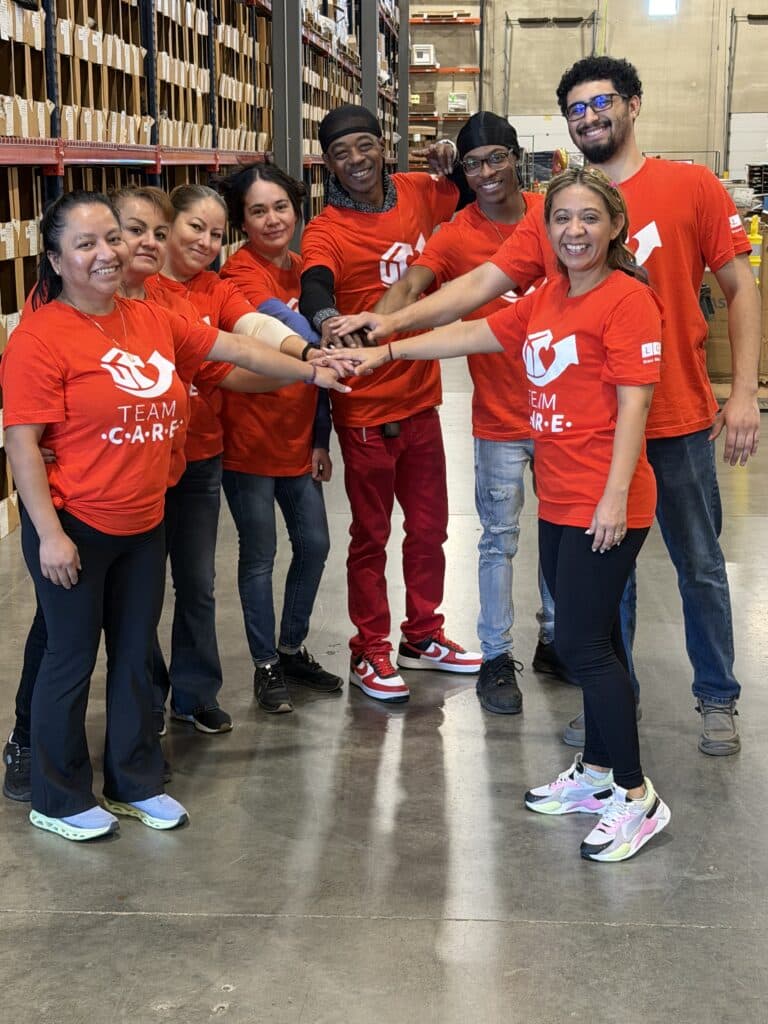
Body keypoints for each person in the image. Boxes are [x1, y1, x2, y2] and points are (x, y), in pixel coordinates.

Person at [333, 57, 761, 755]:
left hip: (676, 417)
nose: (590, 117)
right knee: (606, 585)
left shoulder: (691, 186)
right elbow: (478, 293)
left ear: (634, 104)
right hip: (594, 433)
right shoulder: (556, 209)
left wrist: (742, 392)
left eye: (602, 103)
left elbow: (740, 288)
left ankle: (717, 698)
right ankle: (612, 707)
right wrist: (388, 326)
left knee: (701, 565)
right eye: (577, 110)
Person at [328, 167, 670, 862]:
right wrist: (387, 346)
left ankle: (637, 798)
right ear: (546, 232)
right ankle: (600, 774)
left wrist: (612, 495)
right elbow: (471, 333)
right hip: (563, 497)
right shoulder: (547, 296)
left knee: (584, 647)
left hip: (606, 501)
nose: (574, 230)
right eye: (563, 219)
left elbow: (635, 403)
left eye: (589, 219)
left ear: (614, 228)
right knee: (593, 635)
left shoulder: (626, 301)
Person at [0, 191, 347, 841]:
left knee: (135, 655)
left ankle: (134, 781)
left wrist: (312, 366)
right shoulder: (40, 337)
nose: (108, 252)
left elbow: (235, 350)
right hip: (77, 524)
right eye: (86, 244)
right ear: (54, 258)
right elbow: (21, 444)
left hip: (143, 519)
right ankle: (57, 793)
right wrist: (48, 534)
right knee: (71, 660)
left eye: (113, 237)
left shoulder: (150, 318)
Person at [359, 111, 564, 716]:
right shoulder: (454, 233)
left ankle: (557, 638)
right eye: (474, 163)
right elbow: (413, 287)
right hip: (501, 418)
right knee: (498, 540)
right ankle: (497, 658)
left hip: (564, 415)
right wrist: (374, 326)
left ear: (516, 157)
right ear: (464, 172)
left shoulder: (553, 212)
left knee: (563, 533)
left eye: (497, 158)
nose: (487, 172)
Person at [298, 103, 482, 702]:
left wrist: (452, 167)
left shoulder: (415, 192)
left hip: (421, 397)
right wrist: (330, 323)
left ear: (383, 145)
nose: (355, 161)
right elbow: (315, 286)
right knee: (371, 535)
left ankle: (422, 635)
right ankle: (369, 649)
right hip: (366, 409)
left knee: (429, 530)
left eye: (363, 146)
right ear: (327, 163)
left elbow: (467, 198)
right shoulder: (325, 227)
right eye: (340, 153)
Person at [149, 184, 337, 733]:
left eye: (214, 232)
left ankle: (193, 694)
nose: (207, 242)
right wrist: (307, 356)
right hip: (147, 460)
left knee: (197, 584)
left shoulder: (214, 288)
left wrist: (306, 361)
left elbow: (252, 331)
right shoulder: (139, 290)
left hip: (202, 455)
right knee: (139, 592)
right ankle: (143, 700)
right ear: (166, 227)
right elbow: (251, 334)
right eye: (194, 228)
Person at [216, 162, 342, 712]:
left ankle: (291, 647)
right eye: (258, 210)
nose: (272, 220)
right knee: (260, 554)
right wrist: (328, 336)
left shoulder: (304, 268)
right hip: (248, 440)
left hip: (297, 439)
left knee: (315, 544)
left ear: (297, 208)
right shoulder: (236, 275)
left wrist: (321, 439)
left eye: (281, 207)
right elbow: (281, 325)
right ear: (242, 221)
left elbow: (318, 380)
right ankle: (266, 664)